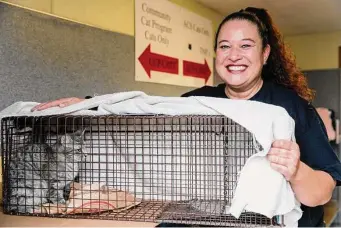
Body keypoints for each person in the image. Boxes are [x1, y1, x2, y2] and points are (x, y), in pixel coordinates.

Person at [31, 7, 341, 227]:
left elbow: (323, 191)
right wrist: (89, 104)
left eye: (246, 46)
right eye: (225, 46)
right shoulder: (200, 102)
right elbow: (144, 110)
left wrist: (296, 170)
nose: (234, 55)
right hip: (211, 218)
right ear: (215, 56)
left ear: (264, 54)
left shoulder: (290, 108)